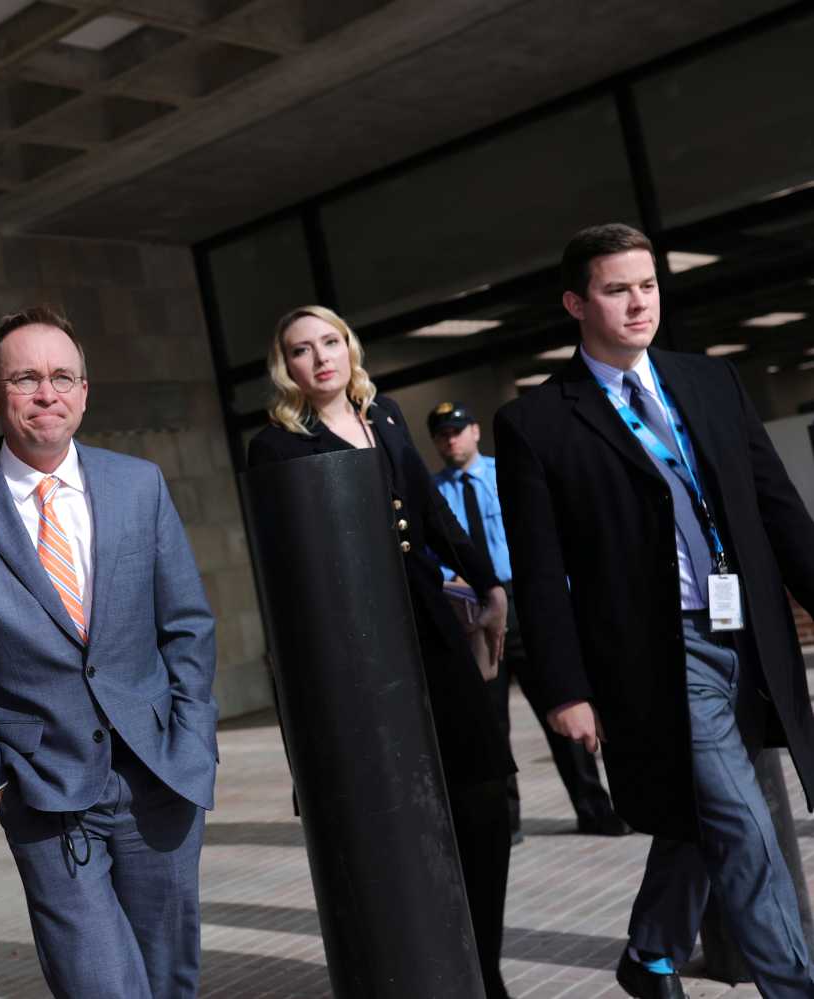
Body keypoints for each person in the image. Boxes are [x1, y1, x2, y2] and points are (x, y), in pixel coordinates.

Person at [495, 223, 814, 999]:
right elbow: (540, 571)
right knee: (742, 823)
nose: (638, 302)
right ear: (576, 302)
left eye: (646, 285)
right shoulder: (535, 422)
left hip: (748, 636)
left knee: (704, 815)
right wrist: (565, 688)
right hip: (658, 650)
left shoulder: (710, 381)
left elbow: (777, 507)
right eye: (615, 288)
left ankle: (650, 950)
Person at [0, 306, 219, 999]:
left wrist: (194, 738)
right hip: (43, 793)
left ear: (83, 391)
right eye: (25, 378)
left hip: (158, 781)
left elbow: (186, 625)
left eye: (62, 376)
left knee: (168, 982)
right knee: (100, 984)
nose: (47, 392)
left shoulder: (139, 485)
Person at [247, 304, 515, 999]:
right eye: (300, 350)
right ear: (286, 367)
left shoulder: (386, 415)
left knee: (483, 794)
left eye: (329, 342)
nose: (319, 358)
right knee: (393, 804)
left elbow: (431, 513)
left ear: (348, 346)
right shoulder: (275, 444)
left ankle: (481, 965)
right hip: (355, 646)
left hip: (426, 621)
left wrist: (487, 583)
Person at [428, 401, 628, 844]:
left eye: (458, 430)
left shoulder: (508, 473)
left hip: (527, 604)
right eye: (442, 434)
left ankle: (594, 809)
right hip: (475, 611)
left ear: (476, 432)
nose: (451, 439)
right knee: (491, 724)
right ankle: (505, 821)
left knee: (562, 706)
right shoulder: (433, 494)